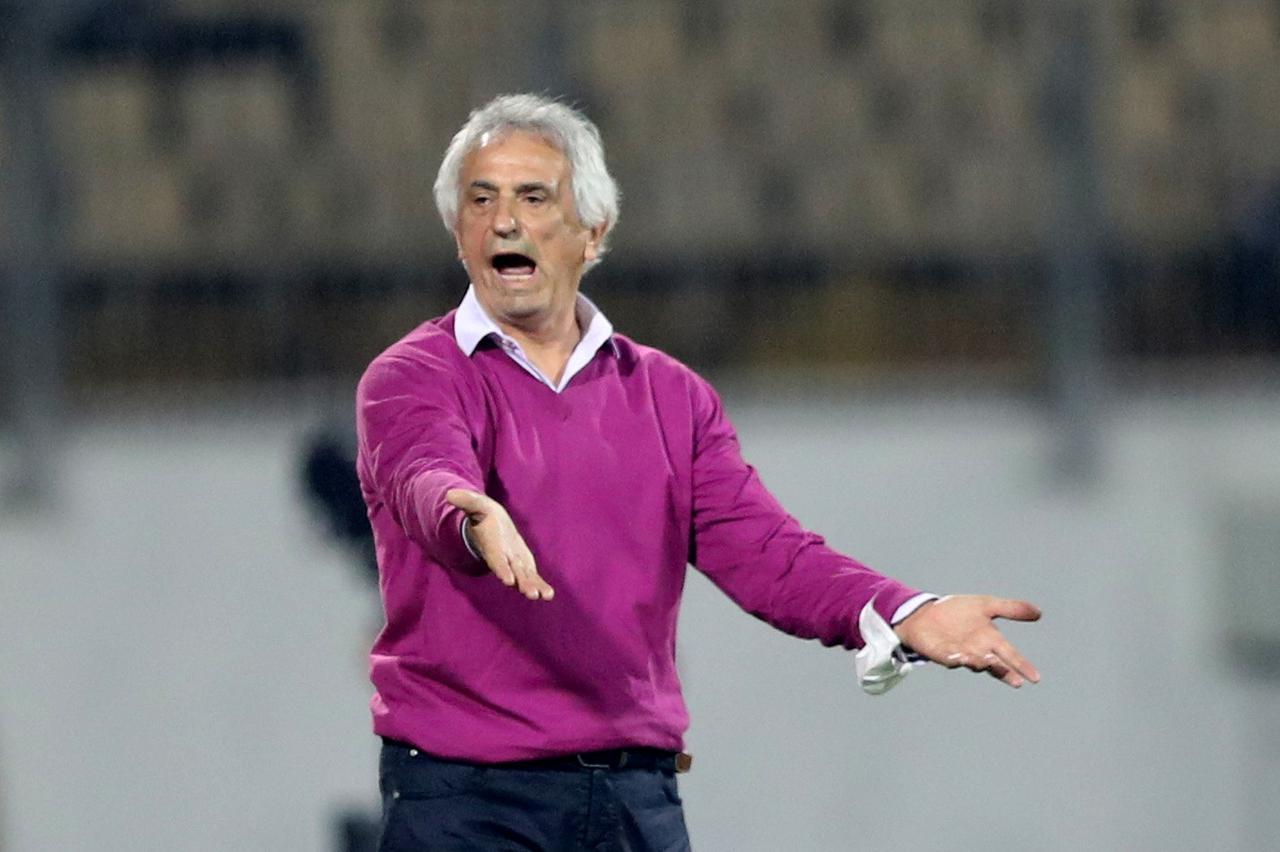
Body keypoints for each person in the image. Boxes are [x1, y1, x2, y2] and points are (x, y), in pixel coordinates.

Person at [355, 93, 1042, 852]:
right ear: (459, 233)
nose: (503, 221)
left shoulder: (670, 398)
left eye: (532, 197)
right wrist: (466, 512)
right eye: (480, 201)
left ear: (593, 231)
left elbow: (768, 554)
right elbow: (423, 469)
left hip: (632, 800)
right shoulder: (413, 377)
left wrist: (904, 612)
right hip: (467, 803)